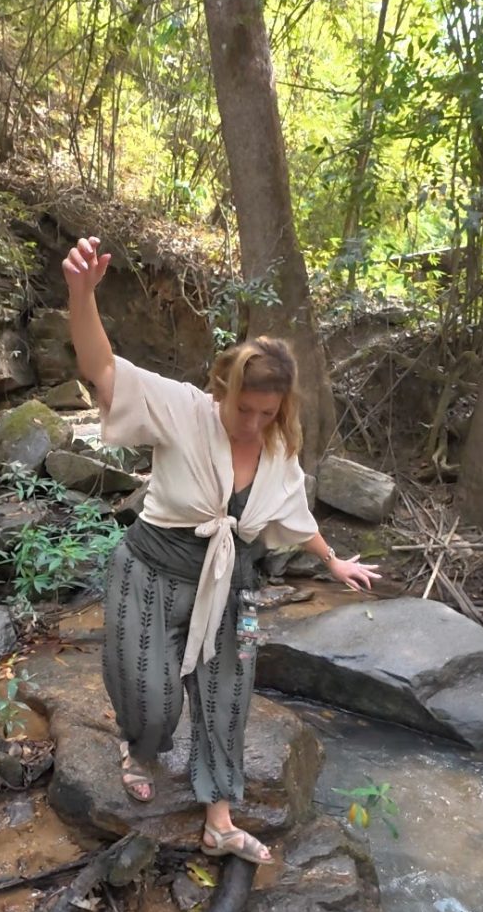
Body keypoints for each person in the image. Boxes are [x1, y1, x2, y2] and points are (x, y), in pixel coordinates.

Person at [63, 236, 380, 864]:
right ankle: (140, 748)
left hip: (233, 583)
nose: (254, 422)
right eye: (246, 407)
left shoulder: (277, 448)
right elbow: (103, 370)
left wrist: (333, 560)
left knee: (227, 698)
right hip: (151, 569)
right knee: (154, 699)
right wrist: (81, 293)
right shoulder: (182, 410)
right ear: (222, 388)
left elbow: (291, 513)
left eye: (269, 411)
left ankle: (219, 819)